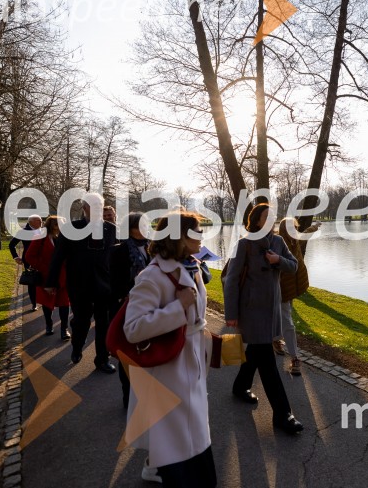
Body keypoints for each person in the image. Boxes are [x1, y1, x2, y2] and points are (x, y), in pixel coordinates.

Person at [124, 211, 216, 487]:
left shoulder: (192, 266)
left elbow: (195, 315)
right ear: (178, 236)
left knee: (192, 438)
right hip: (169, 371)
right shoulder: (152, 276)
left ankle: (157, 467)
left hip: (192, 364)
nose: (201, 237)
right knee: (180, 443)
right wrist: (179, 308)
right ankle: (163, 469)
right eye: (195, 232)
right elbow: (133, 328)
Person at [224, 202, 304, 434]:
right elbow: (230, 280)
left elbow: (294, 266)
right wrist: (231, 314)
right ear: (256, 220)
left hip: (272, 309)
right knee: (267, 360)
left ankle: (240, 387)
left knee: (256, 352)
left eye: (273, 217)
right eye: (266, 217)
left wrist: (277, 260)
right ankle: (283, 414)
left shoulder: (278, 242)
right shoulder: (244, 244)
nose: (270, 221)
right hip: (251, 311)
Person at [46, 193, 118, 373]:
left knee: (104, 322)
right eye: (92, 207)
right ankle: (77, 346)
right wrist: (51, 282)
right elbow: (58, 257)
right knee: (81, 321)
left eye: (99, 208)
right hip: (79, 284)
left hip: (105, 284)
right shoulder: (72, 229)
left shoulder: (111, 229)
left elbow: (117, 258)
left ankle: (102, 359)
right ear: (84, 208)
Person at [110, 213, 150, 409]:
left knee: (148, 351)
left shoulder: (156, 248)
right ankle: (128, 395)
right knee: (127, 352)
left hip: (151, 307)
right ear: (130, 229)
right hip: (127, 306)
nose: (143, 228)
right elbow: (115, 283)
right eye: (138, 225)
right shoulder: (120, 251)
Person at [274, 217, 319, 375]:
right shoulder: (278, 244)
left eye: (295, 228)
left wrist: (315, 227)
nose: (295, 231)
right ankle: (295, 358)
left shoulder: (295, 241)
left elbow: (306, 233)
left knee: (285, 317)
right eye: (292, 228)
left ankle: (276, 340)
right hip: (280, 291)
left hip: (292, 288)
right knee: (288, 322)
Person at [26, 216, 71, 340]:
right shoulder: (41, 237)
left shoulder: (67, 238)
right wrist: (45, 267)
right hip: (46, 276)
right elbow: (29, 255)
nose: (59, 227)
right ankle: (49, 324)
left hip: (63, 276)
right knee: (47, 302)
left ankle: (64, 329)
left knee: (64, 303)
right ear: (50, 225)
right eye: (56, 224)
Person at [10, 214, 42, 311]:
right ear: (31, 222)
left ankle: (43, 301)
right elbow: (11, 245)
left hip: (43, 260)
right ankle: (34, 303)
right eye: (38, 220)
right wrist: (16, 257)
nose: (41, 222)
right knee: (32, 282)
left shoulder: (44, 230)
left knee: (43, 280)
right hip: (29, 260)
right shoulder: (23, 232)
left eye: (41, 220)